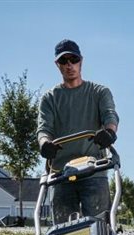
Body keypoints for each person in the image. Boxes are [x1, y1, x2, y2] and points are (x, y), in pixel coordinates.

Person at [37, 39, 119, 224]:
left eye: (73, 60)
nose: (69, 65)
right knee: (62, 231)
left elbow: (110, 116)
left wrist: (109, 133)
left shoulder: (98, 92)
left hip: (94, 171)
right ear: (57, 65)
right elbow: (44, 129)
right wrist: (44, 144)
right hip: (61, 173)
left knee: (100, 227)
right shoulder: (50, 98)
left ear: (81, 61)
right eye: (64, 61)